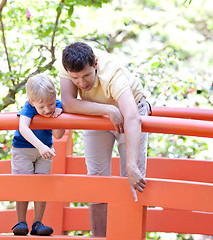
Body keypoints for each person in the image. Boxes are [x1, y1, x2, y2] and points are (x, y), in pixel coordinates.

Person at [59, 42, 151, 236]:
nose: (82, 83)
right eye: (75, 78)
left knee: (132, 179)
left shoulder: (112, 74)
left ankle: (128, 236)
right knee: (97, 181)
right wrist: (108, 109)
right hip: (96, 113)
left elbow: (132, 117)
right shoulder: (68, 65)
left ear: (96, 64)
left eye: (86, 75)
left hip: (130, 113)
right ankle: (99, 236)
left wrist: (131, 165)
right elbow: (68, 102)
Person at [10, 73, 65, 236]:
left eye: (50, 104)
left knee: (42, 184)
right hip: (23, 149)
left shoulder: (57, 105)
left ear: (54, 96)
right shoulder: (28, 107)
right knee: (23, 184)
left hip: (45, 151)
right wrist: (40, 146)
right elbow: (23, 128)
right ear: (31, 102)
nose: (47, 110)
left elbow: (58, 135)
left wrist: (58, 118)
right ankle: (21, 221)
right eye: (42, 107)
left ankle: (38, 223)